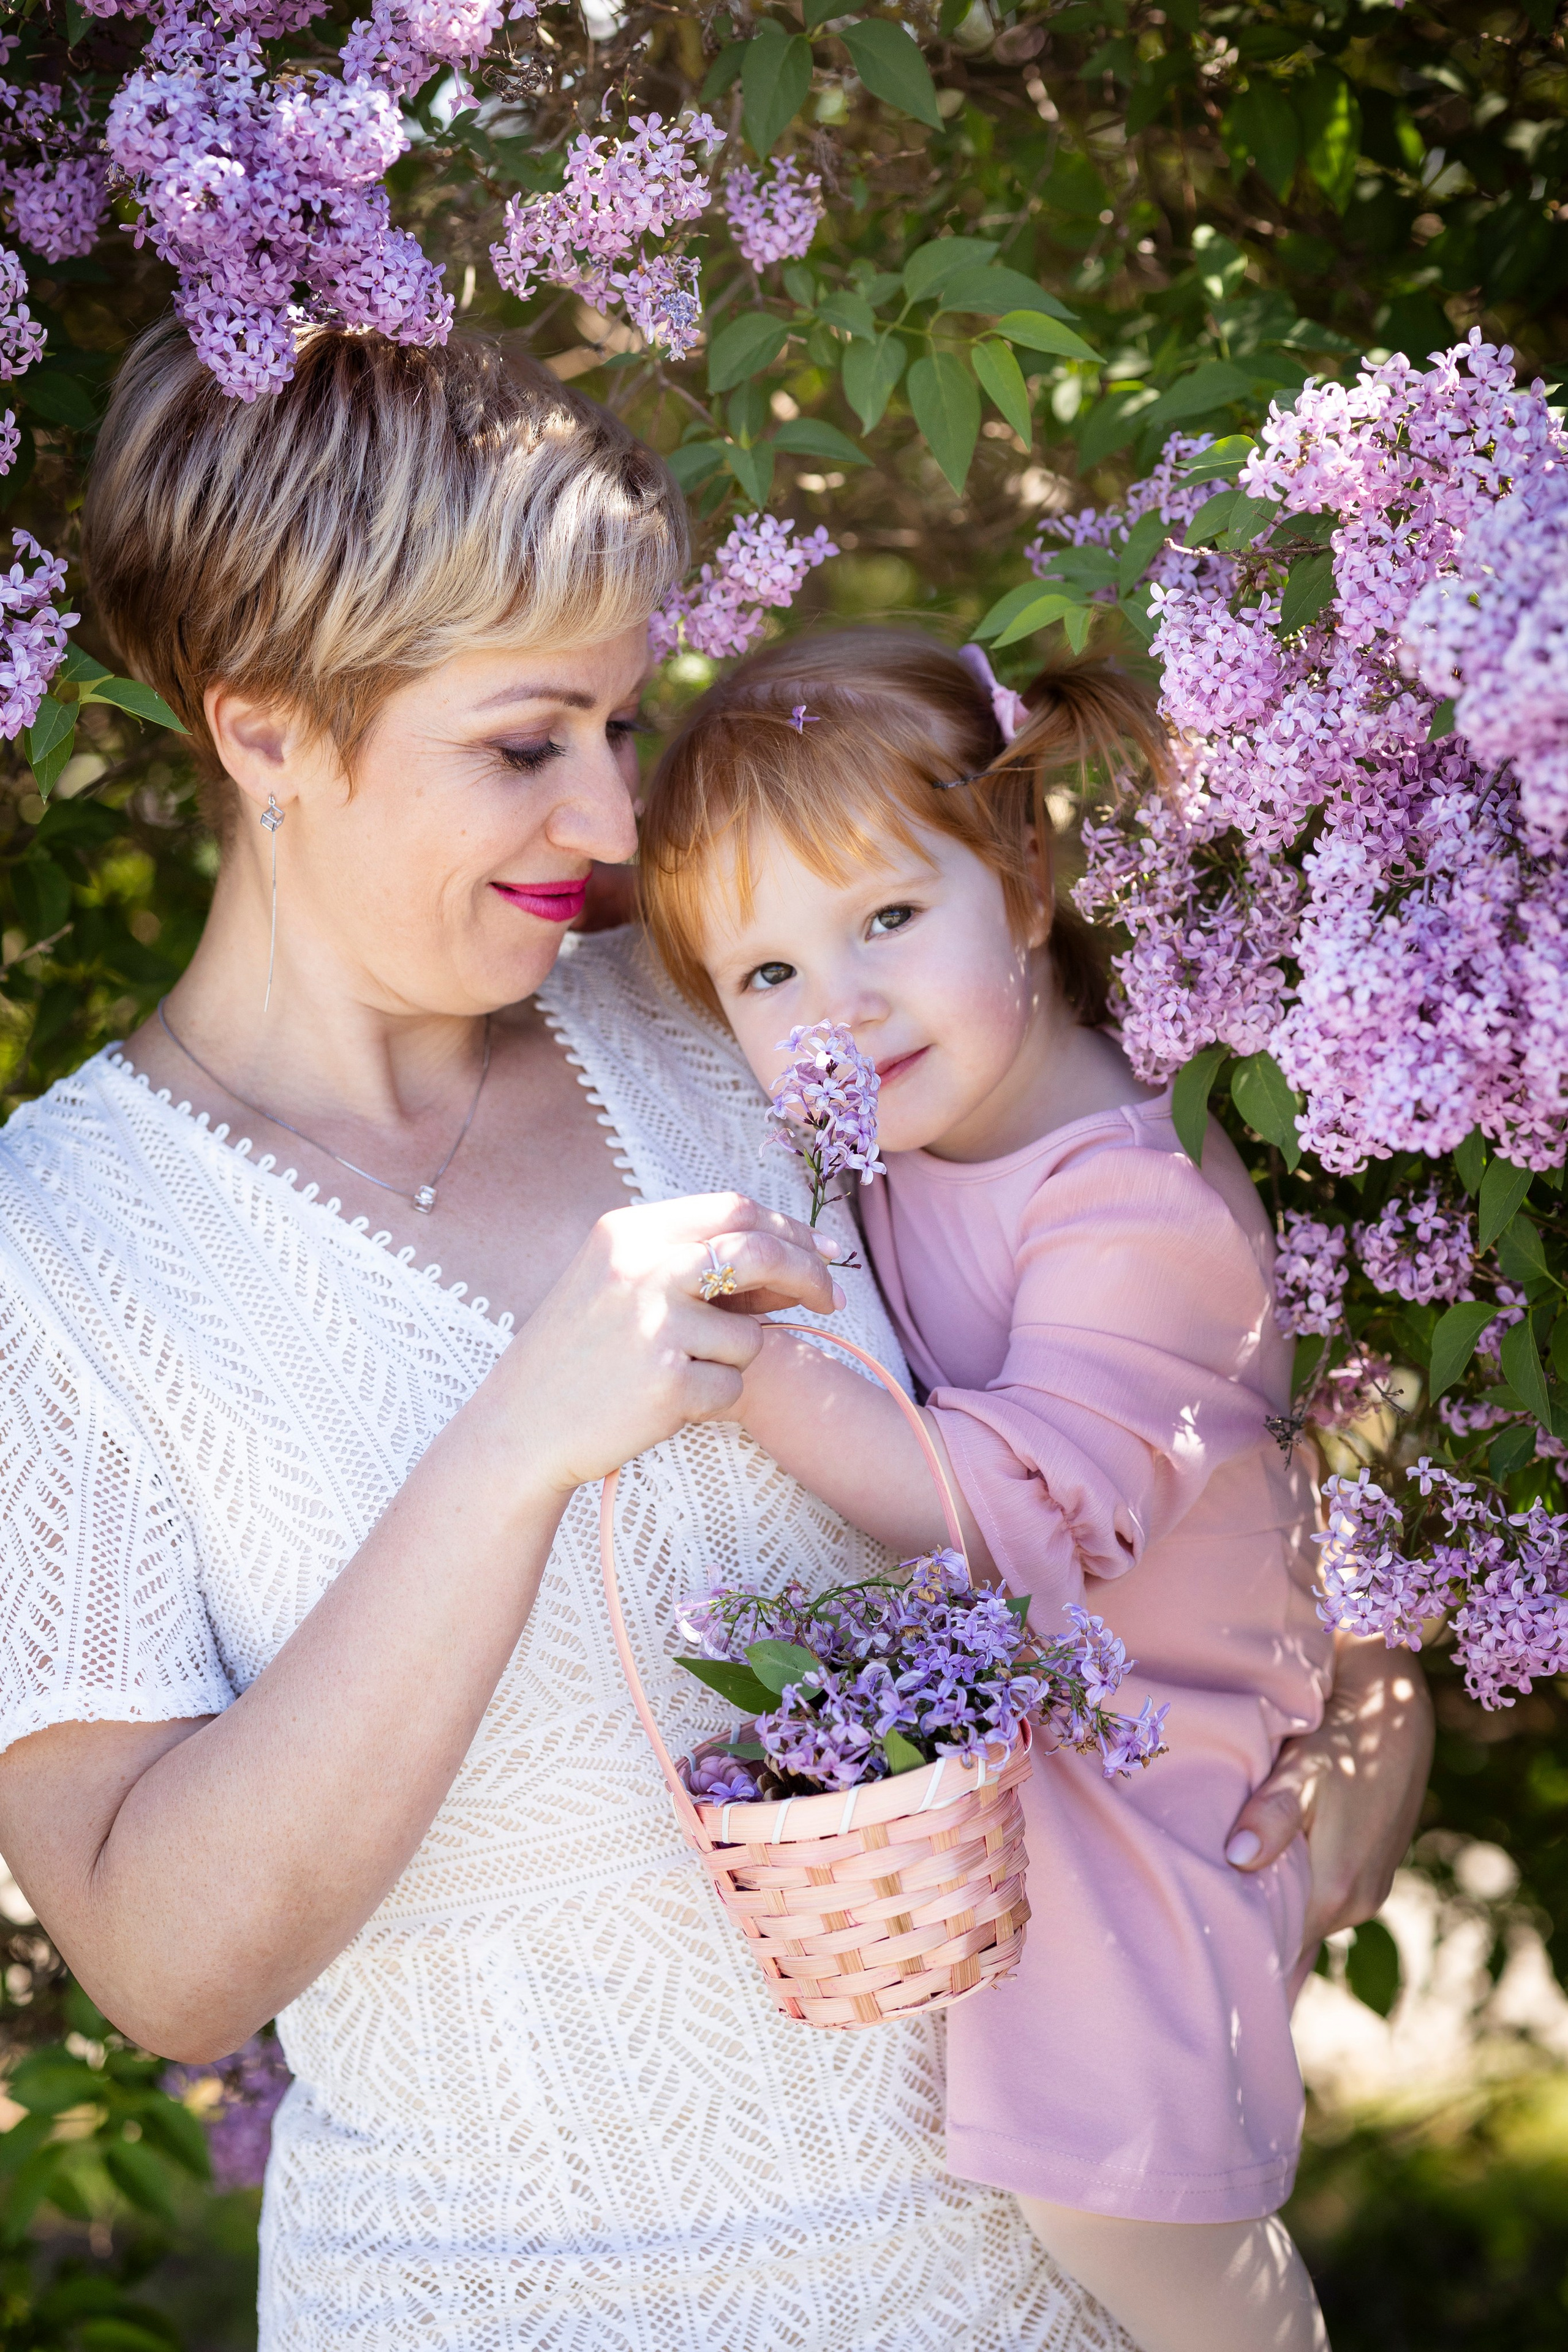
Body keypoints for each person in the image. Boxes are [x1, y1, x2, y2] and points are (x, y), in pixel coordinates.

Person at [0, 323, 1427, 2352]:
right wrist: (512, 1449)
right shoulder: (56, 1255)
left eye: (618, 716)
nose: (612, 805)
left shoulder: (749, 1016)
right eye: (524, 741)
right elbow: (164, 1965)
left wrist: (1366, 1674)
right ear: (265, 737)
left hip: (1033, 2294)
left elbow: (1150, 1292)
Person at [636, 626, 1435, 2352]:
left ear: (1024, 876)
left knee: (1136, 2220)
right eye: (763, 975)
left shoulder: (1133, 1204)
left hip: (1159, 1797)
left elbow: (1002, 1517)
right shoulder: (933, 1130)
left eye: (885, 921)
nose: (834, 1006)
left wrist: (743, 1362)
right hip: (1069, 1767)